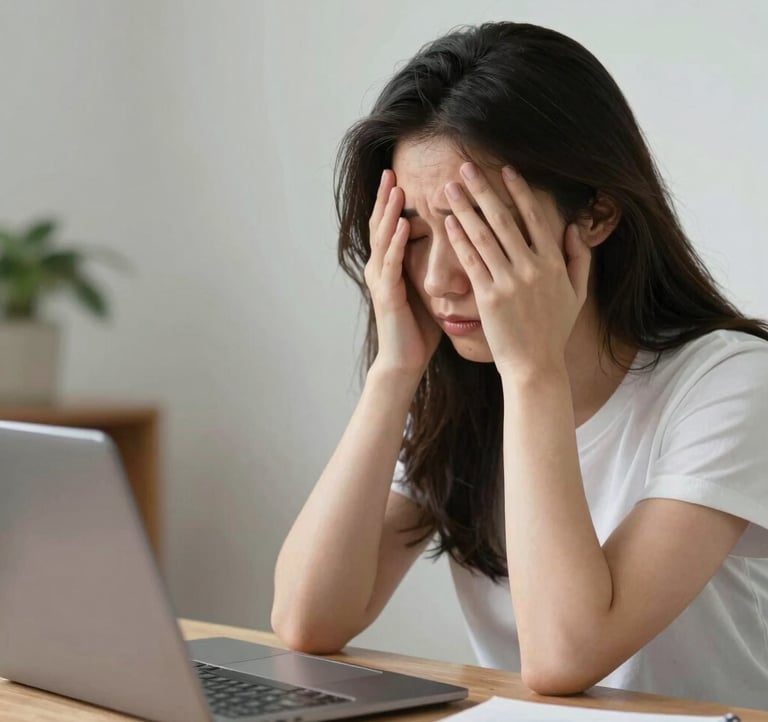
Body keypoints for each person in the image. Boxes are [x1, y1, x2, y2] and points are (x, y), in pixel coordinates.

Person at [271, 21, 768, 709]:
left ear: (594, 215)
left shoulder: (732, 383)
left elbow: (566, 657)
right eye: (414, 233)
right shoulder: (459, 387)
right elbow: (308, 619)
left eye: (478, 226)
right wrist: (394, 371)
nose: (441, 277)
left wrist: (534, 373)